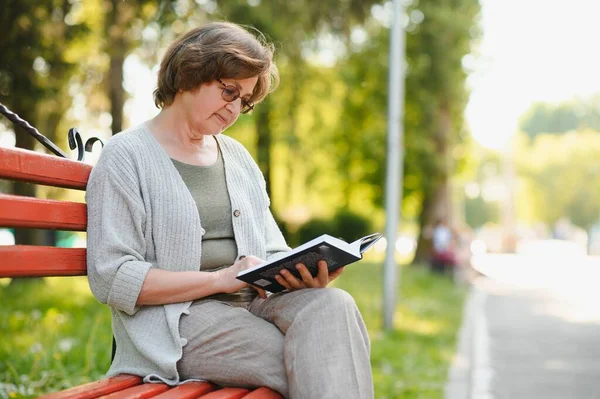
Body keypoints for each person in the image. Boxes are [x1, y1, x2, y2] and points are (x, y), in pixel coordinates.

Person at [85, 22, 373, 399]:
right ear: (191, 72)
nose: (234, 108)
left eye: (244, 101)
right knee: (321, 356)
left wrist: (303, 271)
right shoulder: (126, 156)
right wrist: (220, 280)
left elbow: (271, 249)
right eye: (228, 91)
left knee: (332, 306)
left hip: (255, 306)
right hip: (179, 322)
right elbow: (112, 277)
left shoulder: (237, 157)